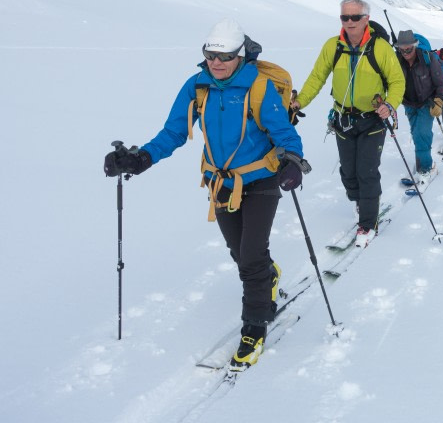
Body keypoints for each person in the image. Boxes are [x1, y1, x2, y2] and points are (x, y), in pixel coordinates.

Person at [102, 19, 309, 372]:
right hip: (221, 184)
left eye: (225, 56)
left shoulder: (258, 87)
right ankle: (268, 276)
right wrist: (141, 158)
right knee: (240, 252)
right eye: (210, 55)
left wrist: (292, 161)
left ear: (240, 56)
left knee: (251, 255)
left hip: (260, 181)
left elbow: (284, 132)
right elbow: (173, 132)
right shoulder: (197, 87)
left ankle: (254, 327)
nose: (216, 62)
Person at [293, 0, 405, 247]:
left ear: (366, 18)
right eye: (345, 17)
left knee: (367, 171)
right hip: (342, 120)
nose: (350, 22)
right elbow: (317, 78)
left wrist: (389, 105)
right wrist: (299, 102)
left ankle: (368, 222)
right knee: (348, 172)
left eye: (355, 17)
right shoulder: (333, 46)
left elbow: (397, 82)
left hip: (373, 119)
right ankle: (360, 201)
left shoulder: (380, 48)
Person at [394, 30, 443, 183]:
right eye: (401, 49)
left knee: (422, 133)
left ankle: (426, 168)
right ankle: (421, 164)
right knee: (416, 133)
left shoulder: (428, 58)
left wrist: (439, 101)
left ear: (415, 46)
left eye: (408, 49)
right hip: (409, 104)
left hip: (427, 103)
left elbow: (441, 83)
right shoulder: (396, 61)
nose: (405, 53)